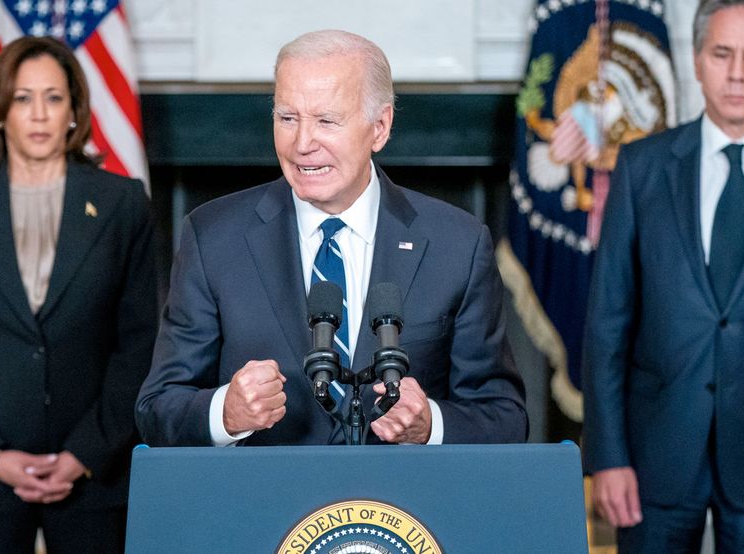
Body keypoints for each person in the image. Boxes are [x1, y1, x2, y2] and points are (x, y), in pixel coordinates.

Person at [135, 30, 527, 447]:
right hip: (262, 505)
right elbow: (157, 408)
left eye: (326, 121)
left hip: (403, 508)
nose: (302, 143)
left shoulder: (457, 244)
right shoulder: (214, 238)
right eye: (287, 118)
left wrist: (430, 423)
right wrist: (224, 414)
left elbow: (505, 418)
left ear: (380, 127)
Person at [583, 0, 744, 551]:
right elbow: (607, 324)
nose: (737, 73)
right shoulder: (641, 167)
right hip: (653, 456)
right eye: (721, 54)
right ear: (696, 60)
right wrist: (609, 455)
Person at [0, 36, 157, 553]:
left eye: (53, 97)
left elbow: (139, 342)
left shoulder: (123, 203)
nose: (39, 113)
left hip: (95, 469)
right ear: (0, 111)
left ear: (74, 111)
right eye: (23, 98)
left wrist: (85, 452)